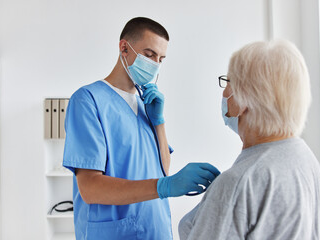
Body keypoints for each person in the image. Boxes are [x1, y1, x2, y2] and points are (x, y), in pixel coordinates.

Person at [62, 17, 220, 240]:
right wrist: (165, 187)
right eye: (149, 54)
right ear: (124, 47)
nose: (155, 64)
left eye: (161, 58)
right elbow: (90, 188)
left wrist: (159, 122)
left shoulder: (146, 106)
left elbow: (163, 169)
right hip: (115, 233)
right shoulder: (88, 100)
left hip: (155, 230)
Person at [178, 40, 320, 239]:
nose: (224, 93)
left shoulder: (240, 181)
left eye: (228, 82)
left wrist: (226, 195)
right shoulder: (304, 157)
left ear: (242, 100)